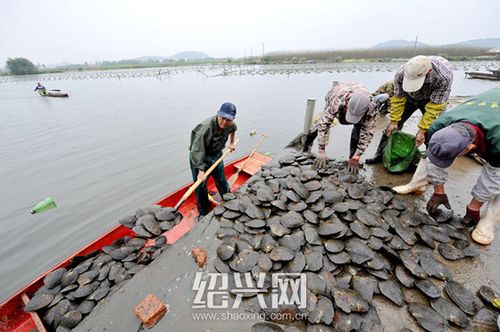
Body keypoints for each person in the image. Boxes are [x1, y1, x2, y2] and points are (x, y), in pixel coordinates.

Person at [392, 88, 500, 245]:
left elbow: (493, 178)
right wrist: (439, 192)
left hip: (495, 127)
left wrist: (473, 208)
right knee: (431, 156)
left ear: (471, 149)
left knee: (497, 177)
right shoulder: (438, 126)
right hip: (485, 108)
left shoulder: (497, 141)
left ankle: (489, 219)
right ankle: (418, 183)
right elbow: (434, 156)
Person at [366, 55, 453, 164]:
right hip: (408, 97)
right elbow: (398, 99)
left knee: (433, 129)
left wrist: (422, 130)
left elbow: (435, 107)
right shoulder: (401, 73)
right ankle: (380, 155)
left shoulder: (443, 77)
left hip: (432, 100)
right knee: (391, 127)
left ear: (429, 71)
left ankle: (430, 160)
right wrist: (394, 121)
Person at [310, 82, 388, 174]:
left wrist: (357, 156)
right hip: (337, 92)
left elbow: (367, 134)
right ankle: (306, 147)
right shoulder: (337, 102)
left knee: (358, 129)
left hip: (361, 95)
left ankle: (352, 156)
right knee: (321, 122)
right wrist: (321, 151)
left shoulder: (371, 109)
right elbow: (324, 125)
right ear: (347, 104)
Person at [189, 102, 237, 217]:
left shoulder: (231, 124)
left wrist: (231, 143)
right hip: (199, 157)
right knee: (200, 185)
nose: (224, 122)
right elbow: (196, 150)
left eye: (228, 120)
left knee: (220, 178)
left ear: (232, 119)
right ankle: (203, 212)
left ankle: (228, 199)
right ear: (218, 114)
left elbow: (233, 129)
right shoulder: (206, 128)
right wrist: (201, 171)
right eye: (222, 118)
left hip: (216, 154)